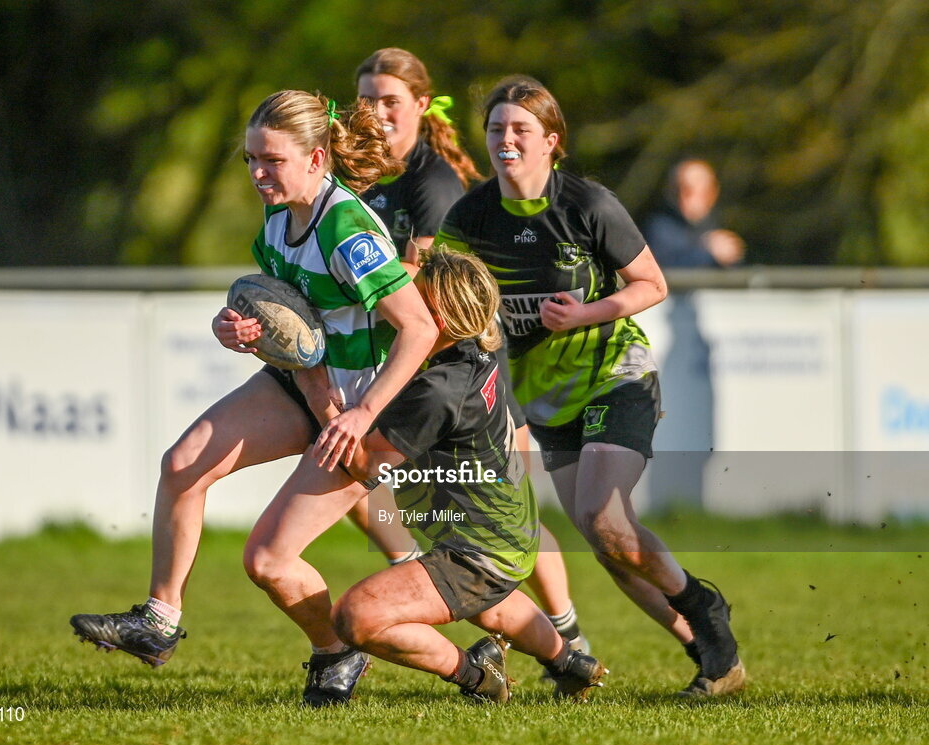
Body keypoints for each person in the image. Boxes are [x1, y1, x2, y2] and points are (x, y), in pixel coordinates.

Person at [70, 90, 439, 707]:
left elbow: (421, 328)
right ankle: (159, 622)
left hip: (366, 406)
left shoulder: (346, 229)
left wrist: (360, 412)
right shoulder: (276, 219)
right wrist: (238, 330)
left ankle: (503, 648)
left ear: (317, 158)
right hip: (312, 388)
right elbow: (290, 330)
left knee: (270, 561)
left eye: (271, 160)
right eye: (248, 160)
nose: (257, 173)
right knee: (182, 463)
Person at [435, 76, 746, 698]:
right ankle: (710, 653)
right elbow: (441, 299)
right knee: (609, 545)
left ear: (552, 141)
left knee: (603, 521)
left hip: (613, 375)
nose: (507, 140)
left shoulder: (587, 204)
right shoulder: (469, 215)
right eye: (497, 129)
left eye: (521, 129)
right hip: (544, 398)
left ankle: (704, 609)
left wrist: (583, 315)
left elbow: (650, 284)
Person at [351, 48, 589, 658]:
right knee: (370, 484)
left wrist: (346, 281)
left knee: (505, 507)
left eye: (390, 101)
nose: (377, 114)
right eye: (366, 101)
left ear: (422, 105)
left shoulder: (431, 182)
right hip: (408, 359)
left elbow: (424, 279)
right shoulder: (361, 175)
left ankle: (562, 630)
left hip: (463, 359)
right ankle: (435, 590)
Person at [294, 246, 607, 703]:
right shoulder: (464, 345)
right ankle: (569, 663)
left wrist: (314, 388)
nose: (401, 297)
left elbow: (362, 465)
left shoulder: (438, 390)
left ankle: (476, 676)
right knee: (489, 602)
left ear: (436, 315)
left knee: (355, 616)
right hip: (504, 536)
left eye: (413, 293)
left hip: (478, 550)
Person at [643, 159, 745, 268]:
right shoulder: (659, 227)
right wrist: (707, 252)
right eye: (687, 189)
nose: (694, 197)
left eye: (703, 190)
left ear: (714, 192)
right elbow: (661, 268)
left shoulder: (721, 223)